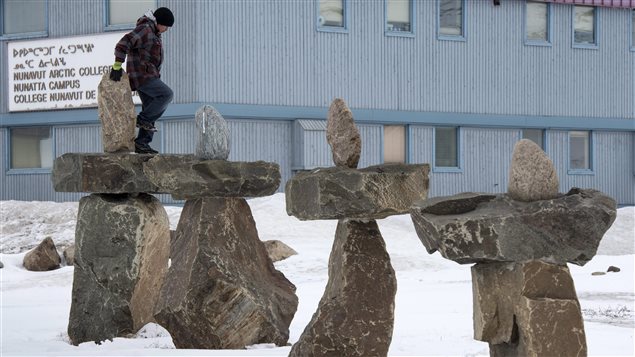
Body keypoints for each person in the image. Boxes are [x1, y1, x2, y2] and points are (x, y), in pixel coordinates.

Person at [109, 7, 174, 154]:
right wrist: (117, 66)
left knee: (151, 106)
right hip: (142, 76)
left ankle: (141, 143)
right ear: (159, 22)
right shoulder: (145, 29)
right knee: (166, 95)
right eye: (166, 26)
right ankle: (142, 119)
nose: (166, 30)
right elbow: (123, 43)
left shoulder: (154, 32)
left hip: (148, 75)